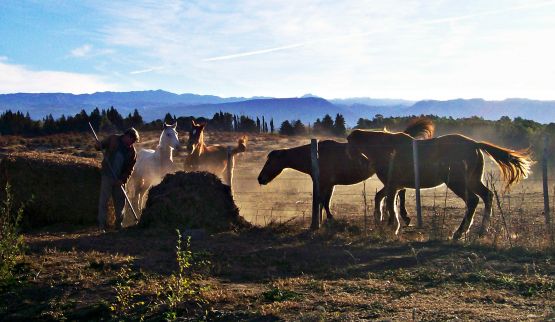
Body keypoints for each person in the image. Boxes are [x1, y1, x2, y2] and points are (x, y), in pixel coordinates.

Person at [96, 127, 139, 231]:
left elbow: (130, 169)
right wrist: (97, 145)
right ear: (127, 136)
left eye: (134, 141)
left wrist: (123, 180)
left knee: (120, 203)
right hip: (107, 175)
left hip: (119, 180)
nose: (132, 143)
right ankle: (101, 225)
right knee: (103, 201)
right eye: (132, 140)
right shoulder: (113, 139)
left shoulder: (132, 152)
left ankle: (118, 225)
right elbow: (100, 146)